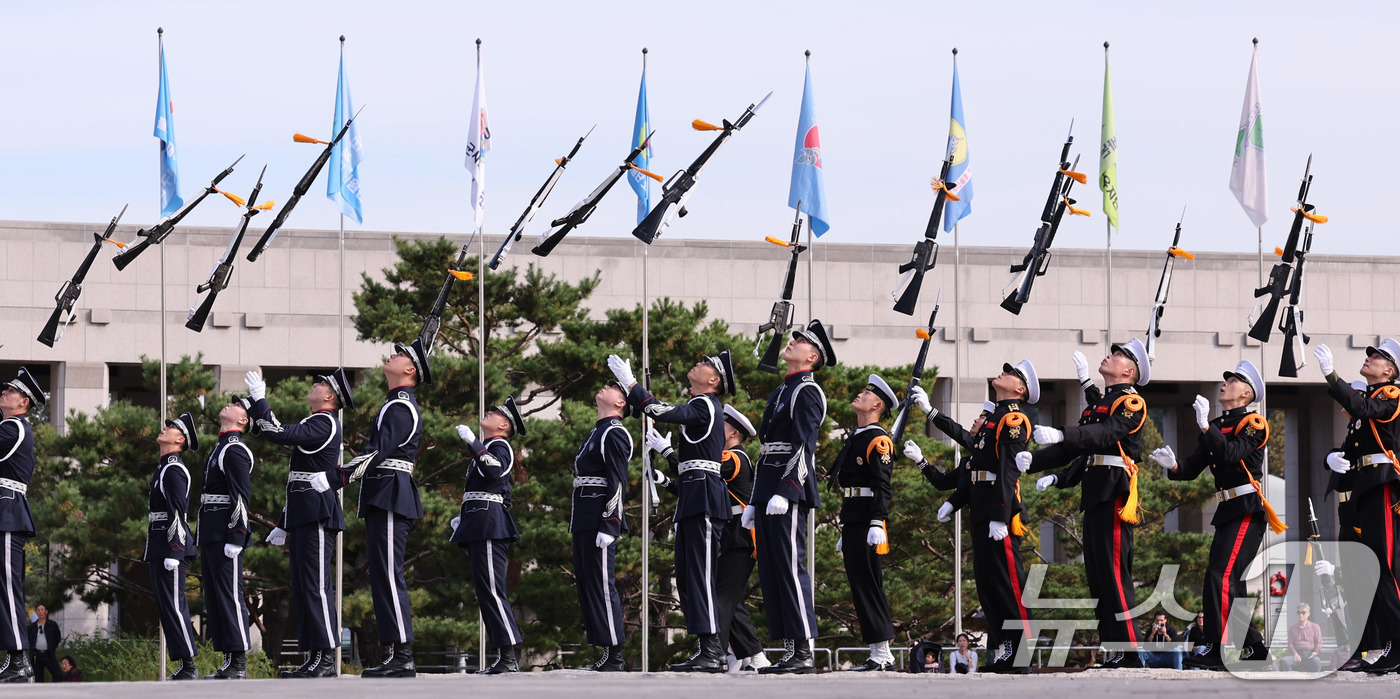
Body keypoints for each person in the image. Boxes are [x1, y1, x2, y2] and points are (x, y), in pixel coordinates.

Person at [909, 360, 1039, 674]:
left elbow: (1008, 468)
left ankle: (1020, 655)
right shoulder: (994, 418)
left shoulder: (1013, 419)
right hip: (981, 512)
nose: (1002, 373)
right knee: (990, 587)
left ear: (1020, 389)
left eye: (1011, 373)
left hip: (999, 514)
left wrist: (1000, 514)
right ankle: (1007, 653)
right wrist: (931, 414)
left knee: (1009, 585)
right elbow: (970, 448)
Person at [1028, 341, 1152, 669]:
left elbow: (1104, 434)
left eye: (1119, 354)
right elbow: (1079, 447)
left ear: (1129, 371)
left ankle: (1131, 648)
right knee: (1098, 575)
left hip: (1114, 492)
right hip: (1095, 490)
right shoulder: (1105, 401)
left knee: (1113, 572)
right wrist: (1033, 462)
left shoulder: (1131, 402)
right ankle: (1116, 648)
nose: (1109, 354)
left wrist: (1061, 433)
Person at [610, 351, 735, 673]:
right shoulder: (700, 406)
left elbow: (658, 410)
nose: (698, 362)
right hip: (694, 498)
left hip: (705, 499)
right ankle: (706, 649)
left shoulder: (706, 404)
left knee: (700, 577)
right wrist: (667, 454)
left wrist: (630, 383)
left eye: (706, 363)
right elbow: (693, 462)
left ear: (713, 381)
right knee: (691, 577)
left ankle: (713, 650)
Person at [1151, 360, 1277, 669]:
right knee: (1227, 581)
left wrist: (1206, 427)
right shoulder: (1218, 426)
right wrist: (1173, 466)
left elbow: (1231, 454)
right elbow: (1192, 468)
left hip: (1247, 509)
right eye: (1226, 379)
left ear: (1246, 393)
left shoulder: (1253, 424)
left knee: (1219, 577)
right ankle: (1255, 647)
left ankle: (1216, 648)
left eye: (1233, 380)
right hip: (1227, 510)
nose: (1225, 383)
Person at [244, 368, 352, 679]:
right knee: (305, 587)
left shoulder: (324, 421)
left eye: (321, 384)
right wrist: (283, 522)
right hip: (305, 513)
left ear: (329, 397)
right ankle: (314, 657)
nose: (315, 385)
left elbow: (279, 433)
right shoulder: (316, 420)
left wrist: (260, 399)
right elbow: (297, 481)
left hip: (318, 513)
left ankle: (326, 659)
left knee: (316, 586)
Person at [646, 403, 769, 672]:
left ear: (734, 433)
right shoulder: (727, 455)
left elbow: (701, 470)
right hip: (732, 537)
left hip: (741, 538)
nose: (716, 429)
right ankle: (754, 655)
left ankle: (717, 653)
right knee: (728, 597)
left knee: (721, 597)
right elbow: (694, 487)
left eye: (722, 425)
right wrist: (663, 480)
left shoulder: (734, 457)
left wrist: (667, 452)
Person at [745, 321, 836, 675]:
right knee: (771, 571)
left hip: (788, 489)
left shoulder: (807, 392)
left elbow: (803, 446)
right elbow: (767, 451)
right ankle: (789, 650)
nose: (792, 342)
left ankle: (802, 651)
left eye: (799, 341)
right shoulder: (783, 389)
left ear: (811, 357)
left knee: (789, 568)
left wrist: (786, 491)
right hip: (770, 488)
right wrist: (755, 500)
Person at [334, 340, 428, 678]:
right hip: (382, 493)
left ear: (409, 370)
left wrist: (340, 475)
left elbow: (380, 451)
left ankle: (402, 656)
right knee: (382, 575)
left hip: (391, 493)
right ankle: (395, 653)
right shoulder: (393, 404)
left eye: (400, 354)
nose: (392, 353)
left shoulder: (400, 407)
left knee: (389, 573)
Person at [1311, 339, 1400, 674]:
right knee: (1374, 571)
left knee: (1385, 569)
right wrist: (1332, 458)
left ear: (1389, 371)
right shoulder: (1370, 402)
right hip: (1367, 486)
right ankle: (1392, 645)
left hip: (1383, 486)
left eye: (1376, 357)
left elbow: (1366, 408)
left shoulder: (1390, 394)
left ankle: (1393, 642)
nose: (1369, 359)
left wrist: (1332, 376)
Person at [450, 397, 527, 675]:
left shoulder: (500, 446)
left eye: (495, 412)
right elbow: (495, 491)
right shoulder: (491, 447)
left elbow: (494, 472)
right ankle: (502, 655)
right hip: (481, 521)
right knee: (486, 592)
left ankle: (508, 657)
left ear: (504, 425)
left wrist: (473, 443)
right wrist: (467, 515)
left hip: (490, 526)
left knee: (493, 590)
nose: (489, 412)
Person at [828, 374, 899, 671]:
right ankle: (876, 650)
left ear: (878, 404)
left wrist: (876, 522)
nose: (859, 396)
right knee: (859, 583)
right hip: (855, 517)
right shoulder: (859, 437)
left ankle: (882, 652)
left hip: (869, 520)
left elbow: (882, 486)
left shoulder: (878, 440)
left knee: (869, 583)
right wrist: (848, 526)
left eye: (865, 395)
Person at [569, 381, 634, 672]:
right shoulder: (597, 431)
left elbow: (618, 481)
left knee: (602, 585)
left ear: (621, 403)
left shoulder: (615, 432)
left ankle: (615, 655)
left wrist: (611, 524)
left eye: (613, 387)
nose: (605, 386)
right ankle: (604, 653)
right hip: (584, 517)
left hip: (599, 518)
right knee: (588, 585)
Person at [199, 396, 256, 680]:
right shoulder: (221, 446)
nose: (229, 405)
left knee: (231, 596)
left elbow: (240, 497)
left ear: (243, 420)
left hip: (225, 532)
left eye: (237, 405)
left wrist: (237, 535)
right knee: (217, 597)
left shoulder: (234, 449)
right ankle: (228, 660)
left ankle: (239, 663)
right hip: (211, 531)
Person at [143, 412, 199, 681]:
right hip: (160, 543)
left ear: (180, 439)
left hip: (169, 545)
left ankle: (188, 666)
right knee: (167, 606)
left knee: (175, 606)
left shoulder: (174, 468)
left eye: (171, 427)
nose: (165, 428)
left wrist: (175, 550)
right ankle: (184, 664)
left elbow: (178, 511)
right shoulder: (164, 466)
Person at [0, 367, 44, 683]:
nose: (4, 392)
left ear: (24, 402)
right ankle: (17, 661)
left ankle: (18, 660)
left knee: (7, 585)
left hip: (7, 513)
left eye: (11, 390)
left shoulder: (13, 427)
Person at [1281, 603, 1323, 672]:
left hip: (1310, 655)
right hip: (1297, 654)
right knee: (1284, 661)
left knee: (1316, 661)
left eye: (1303, 612)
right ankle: (1289, 682)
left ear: (1308, 613)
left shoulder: (1315, 627)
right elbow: (1290, 644)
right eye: (1298, 612)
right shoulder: (1292, 628)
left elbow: (1319, 642)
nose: (1301, 615)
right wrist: (1295, 654)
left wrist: (1316, 652)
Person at [26, 604, 61, 682]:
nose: (40, 612)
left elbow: (57, 637)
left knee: (58, 674)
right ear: (36, 612)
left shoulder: (52, 625)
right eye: (38, 610)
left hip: (49, 654)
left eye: (42, 610)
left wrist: (52, 647)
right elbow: (29, 639)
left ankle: (55, 691)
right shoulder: (32, 627)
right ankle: (39, 693)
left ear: (46, 612)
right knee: (38, 678)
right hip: (37, 655)